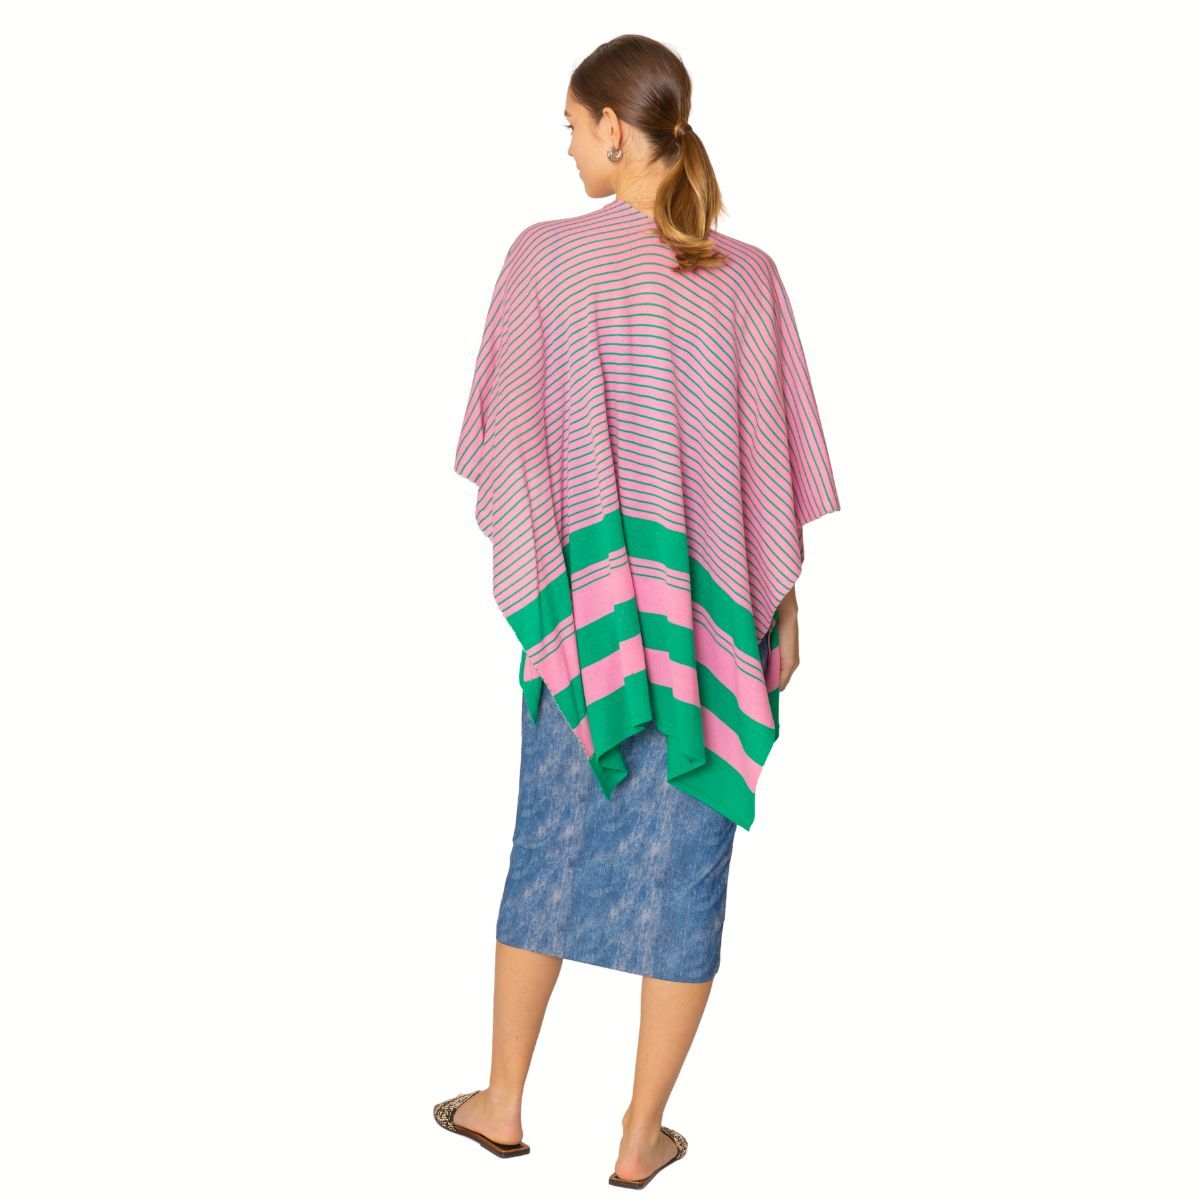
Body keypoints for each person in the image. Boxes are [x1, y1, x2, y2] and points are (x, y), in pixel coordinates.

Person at [435, 33, 840, 1189]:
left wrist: (555, 587)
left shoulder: (544, 260)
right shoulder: (748, 276)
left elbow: (511, 447)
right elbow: (767, 475)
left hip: (587, 617)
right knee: (688, 864)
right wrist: (782, 604)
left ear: (616, 128)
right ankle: (637, 1136)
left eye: (573, 127)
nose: (568, 149)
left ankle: (502, 1104)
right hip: (708, 627)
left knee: (549, 844)